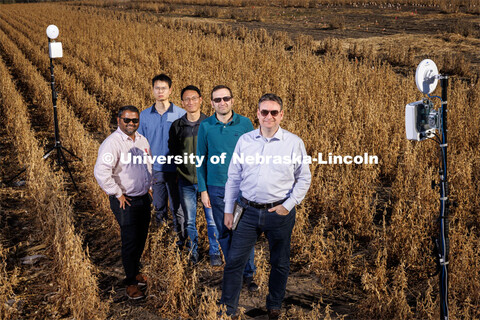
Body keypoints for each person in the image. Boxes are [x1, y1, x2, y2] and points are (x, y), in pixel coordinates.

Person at [220, 94, 312, 319]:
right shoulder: (245, 141)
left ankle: (274, 305)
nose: (268, 116)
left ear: (281, 115)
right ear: (258, 114)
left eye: (273, 112)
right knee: (234, 262)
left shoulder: (294, 143)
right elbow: (233, 177)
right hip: (247, 211)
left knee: (279, 263)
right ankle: (227, 310)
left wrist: (288, 205)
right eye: (264, 112)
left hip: (278, 213)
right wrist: (228, 210)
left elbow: (304, 178)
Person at [196, 85, 257, 290]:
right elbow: (200, 159)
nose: (222, 102)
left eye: (226, 98)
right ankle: (234, 272)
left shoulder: (245, 123)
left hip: (242, 189)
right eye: (217, 99)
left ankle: (248, 274)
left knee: (244, 232)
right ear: (212, 103)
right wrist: (203, 190)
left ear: (232, 100)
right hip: (216, 188)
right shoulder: (206, 126)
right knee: (224, 232)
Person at [94, 105, 152, 300]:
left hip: (143, 198)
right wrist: (117, 193)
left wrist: (149, 185)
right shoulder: (112, 143)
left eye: (135, 120)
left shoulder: (142, 140)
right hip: (125, 200)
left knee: (141, 238)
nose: (131, 124)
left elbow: (148, 164)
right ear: (119, 120)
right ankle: (130, 284)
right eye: (127, 120)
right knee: (129, 241)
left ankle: (135, 272)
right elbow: (101, 172)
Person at [168, 85, 221, 266]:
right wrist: (179, 171)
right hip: (186, 181)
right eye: (186, 99)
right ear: (182, 103)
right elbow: (173, 151)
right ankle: (193, 252)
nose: (190, 102)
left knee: (212, 220)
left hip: (208, 181)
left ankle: (215, 252)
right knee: (190, 221)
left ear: (201, 100)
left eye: (194, 98)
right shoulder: (177, 126)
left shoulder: (211, 124)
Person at [138, 74, 186, 246]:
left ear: (170, 90)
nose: (160, 91)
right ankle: (163, 243)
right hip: (155, 170)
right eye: (157, 88)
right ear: (152, 90)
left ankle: (181, 242)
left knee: (178, 209)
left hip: (176, 170)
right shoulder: (144, 116)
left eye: (163, 88)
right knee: (159, 208)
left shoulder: (181, 114)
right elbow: (141, 144)